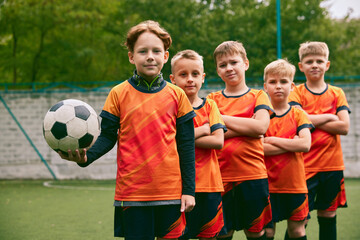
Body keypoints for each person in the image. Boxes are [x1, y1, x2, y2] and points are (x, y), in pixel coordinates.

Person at [59, 20, 197, 240]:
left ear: (166, 56)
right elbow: (107, 137)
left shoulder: (178, 95)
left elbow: (187, 146)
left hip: (171, 193)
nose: (150, 56)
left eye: (156, 51)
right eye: (142, 51)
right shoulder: (118, 93)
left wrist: (189, 190)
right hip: (132, 194)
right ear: (132, 57)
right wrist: (85, 157)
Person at [207, 41, 273, 240]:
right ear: (218, 71)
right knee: (223, 233)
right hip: (220, 179)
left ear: (246, 63)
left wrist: (222, 120)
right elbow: (212, 137)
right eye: (222, 65)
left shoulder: (259, 95)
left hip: (253, 176)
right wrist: (246, 128)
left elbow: (261, 127)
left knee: (255, 233)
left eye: (233, 62)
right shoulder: (212, 100)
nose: (229, 68)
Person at [288, 41, 351, 240]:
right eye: (309, 61)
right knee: (299, 221)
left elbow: (344, 127)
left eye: (319, 61)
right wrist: (330, 117)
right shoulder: (296, 92)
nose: (314, 65)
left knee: (328, 215)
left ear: (327, 64)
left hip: (332, 167)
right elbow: (295, 121)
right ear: (301, 66)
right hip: (303, 167)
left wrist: (309, 119)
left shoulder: (337, 93)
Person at [170, 49, 226, 240]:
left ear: (203, 77)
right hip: (178, 187)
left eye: (195, 74)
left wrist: (183, 137)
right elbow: (168, 141)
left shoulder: (210, 105)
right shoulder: (170, 109)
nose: (190, 79)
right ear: (172, 79)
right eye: (183, 74)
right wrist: (202, 130)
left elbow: (218, 141)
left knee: (208, 236)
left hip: (209, 185)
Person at [262, 59, 313, 240]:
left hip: (295, 185)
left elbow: (305, 144)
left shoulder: (299, 114)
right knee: (268, 232)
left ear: (292, 86)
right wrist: (291, 143)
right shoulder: (261, 115)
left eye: (283, 82)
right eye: (273, 82)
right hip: (267, 186)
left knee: (297, 231)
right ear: (265, 86)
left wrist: (273, 140)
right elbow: (259, 149)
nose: (278, 86)